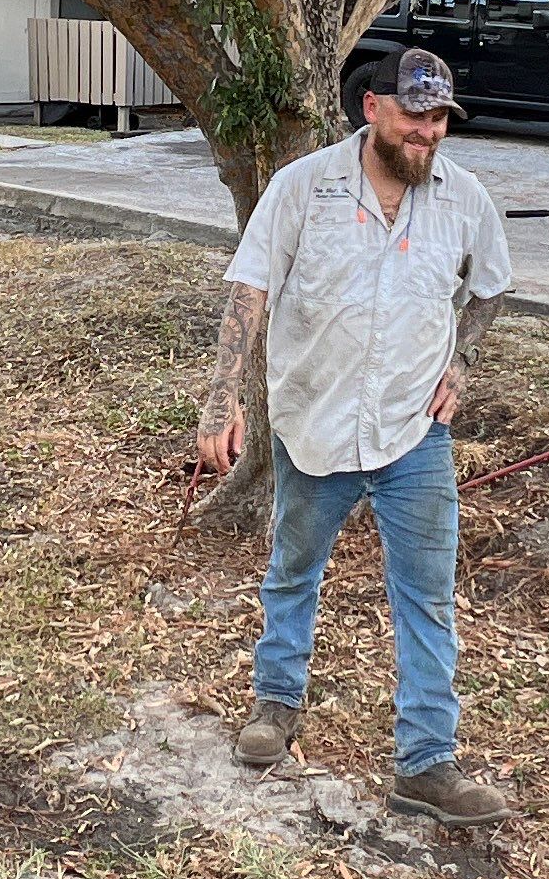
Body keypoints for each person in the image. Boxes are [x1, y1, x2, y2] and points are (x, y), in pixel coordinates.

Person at [198, 46, 517, 826]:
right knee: (292, 570)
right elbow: (250, 286)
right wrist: (221, 395)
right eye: (415, 115)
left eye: (440, 117)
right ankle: (274, 704)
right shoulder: (304, 187)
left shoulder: (464, 197)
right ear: (371, 107)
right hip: (317, 422)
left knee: (428, 599)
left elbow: (491, 288)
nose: (429, 132)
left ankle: (427, 762)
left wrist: (462, 364)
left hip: (414, 431)